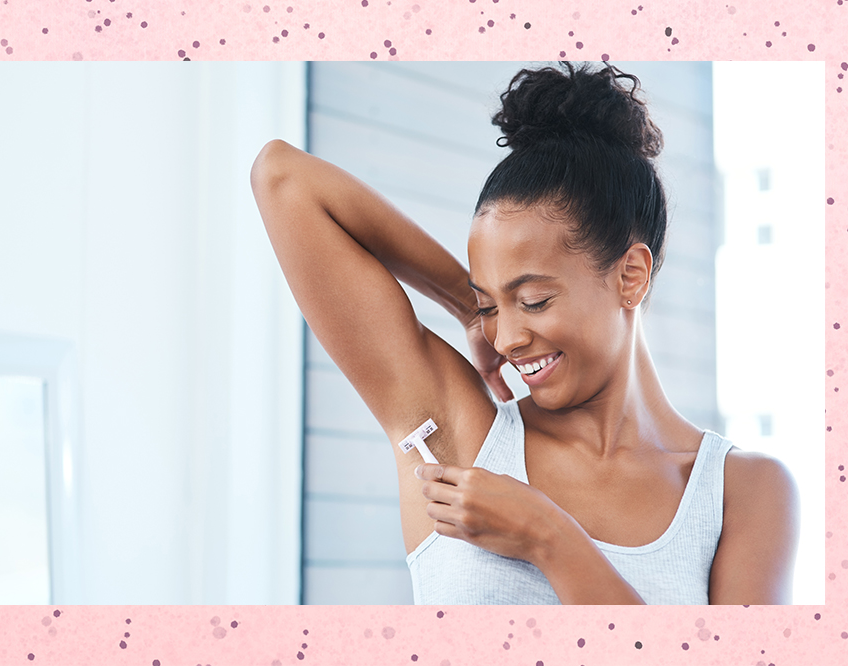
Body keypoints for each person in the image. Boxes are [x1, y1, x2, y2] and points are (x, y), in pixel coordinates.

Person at [251, 62, 799, 605]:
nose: (506, 339)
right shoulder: (460, 436)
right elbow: (283, 178)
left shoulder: (741, 493)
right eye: (493, 305)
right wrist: (466, 306)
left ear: (630, 275)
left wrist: (549, 538)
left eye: (533, 300)